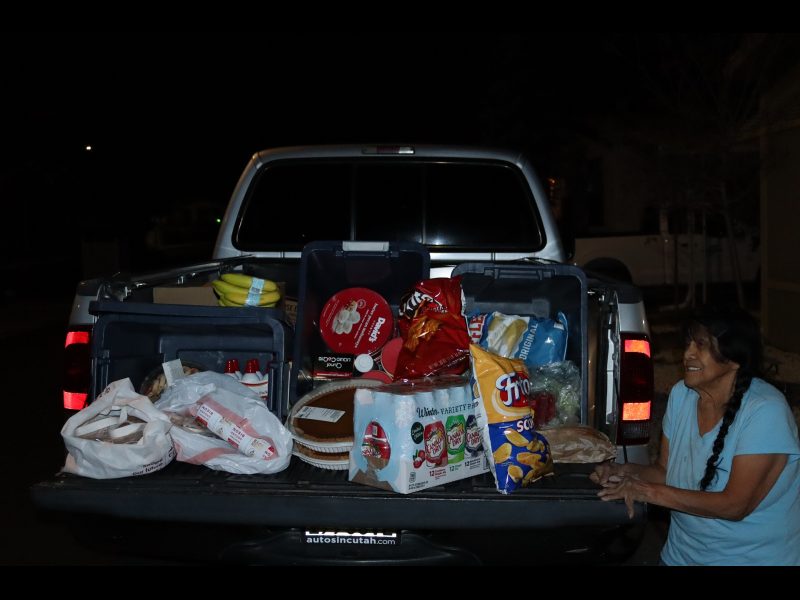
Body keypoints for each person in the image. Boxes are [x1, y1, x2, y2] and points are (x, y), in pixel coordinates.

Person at [591, 305, 800, 566]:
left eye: (701, 345)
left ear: (734, 358)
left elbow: (735, 505)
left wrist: (648, 492)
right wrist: (622, 471)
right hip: (682, 557)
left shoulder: (766, 411)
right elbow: (666, 472)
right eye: (688, 343)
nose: (688, 354)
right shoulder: (682, 396)